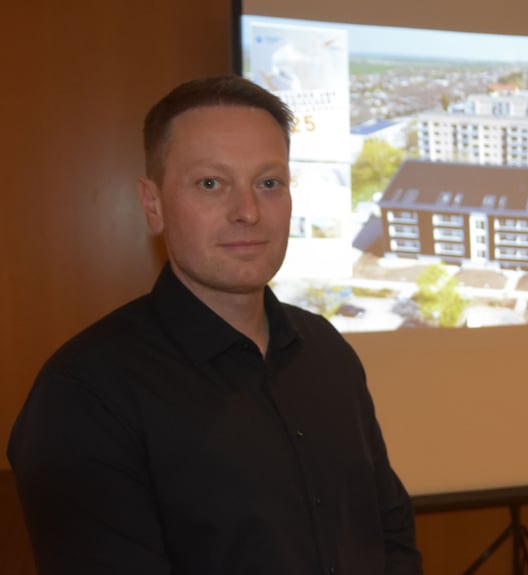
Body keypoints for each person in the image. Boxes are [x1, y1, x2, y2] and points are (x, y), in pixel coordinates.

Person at [8, 76, 422, 574]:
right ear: (153, 204)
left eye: (269, 183)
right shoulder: (85, 393)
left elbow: (390, 535)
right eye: (211, 184)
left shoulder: (327, 353)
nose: (248, 212)